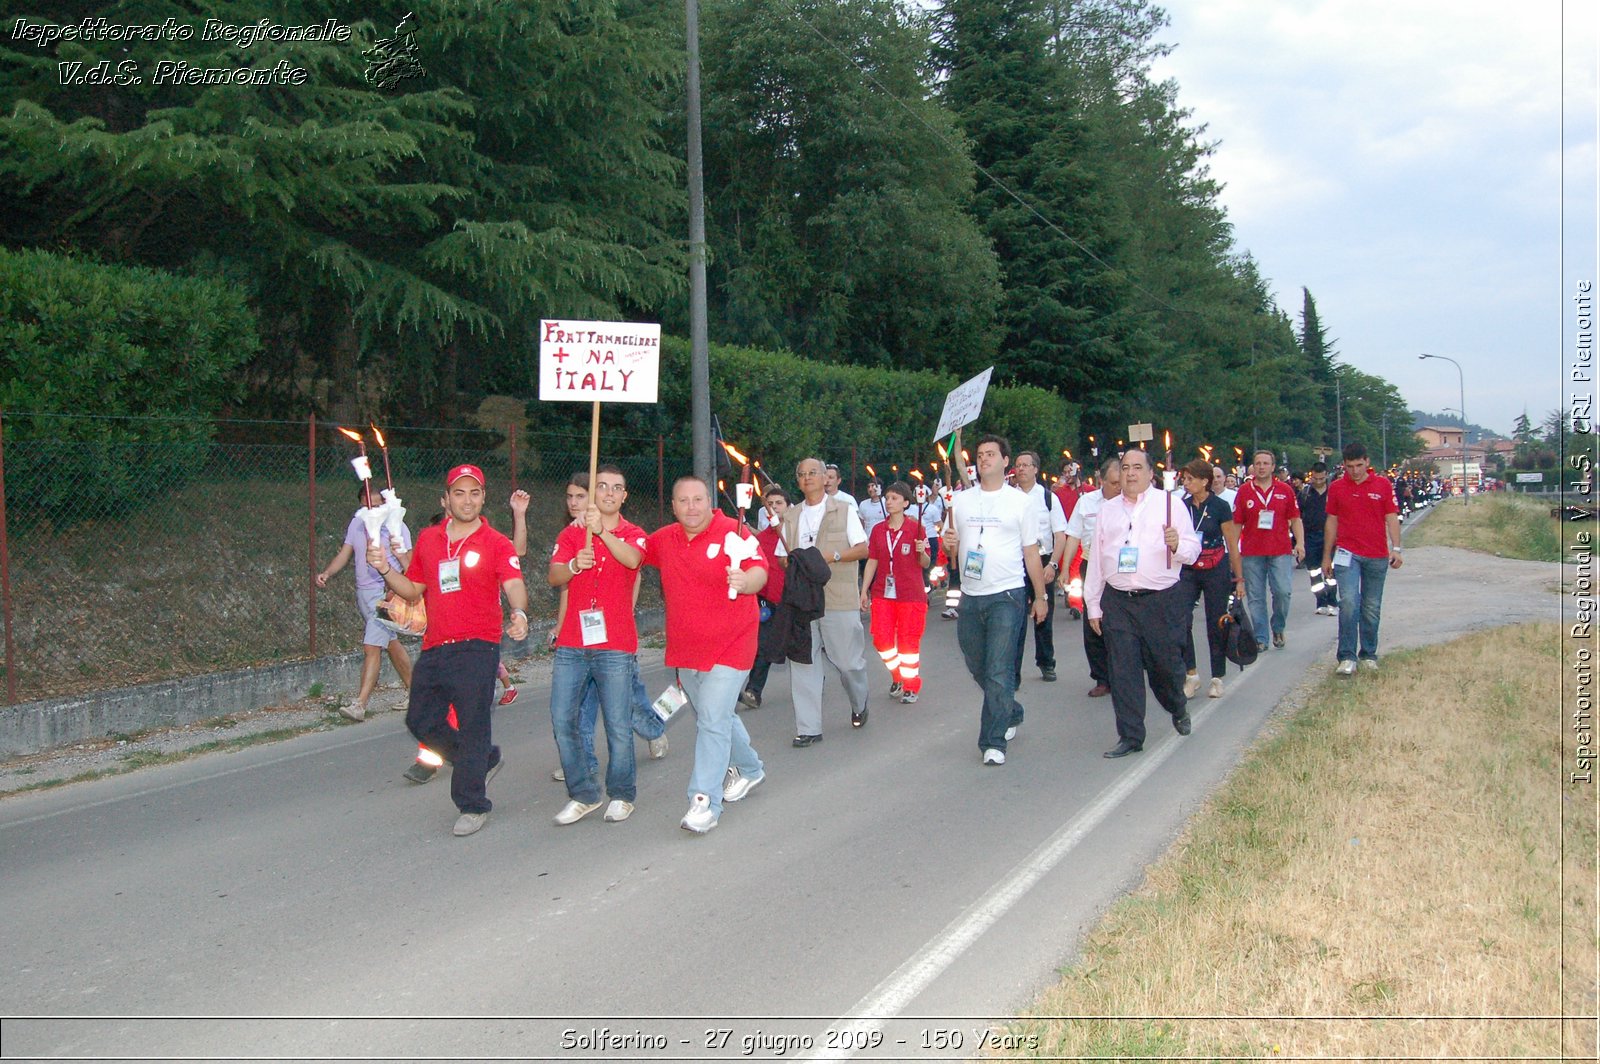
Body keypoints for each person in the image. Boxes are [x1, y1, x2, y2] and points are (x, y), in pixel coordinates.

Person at [369, 464, 527, 837]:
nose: (467, 500)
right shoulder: (428, 539)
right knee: (420, 721)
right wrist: (384, 570)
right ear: (446, 499)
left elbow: (514, 583)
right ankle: (482, 761)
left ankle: (473, 803)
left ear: (483, 498)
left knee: (473, 725)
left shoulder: (496, 542)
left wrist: (519, 612)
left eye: (474, 492)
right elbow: (412, 590)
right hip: (437, 645)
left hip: (478, 646)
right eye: (459, 493)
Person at [640, 475, 768, 834]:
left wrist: (746, 582)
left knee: (711, 720)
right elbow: (632, 552)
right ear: (674, 505)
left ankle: (704, 802)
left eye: (698, 500)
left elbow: (759, 570)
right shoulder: (664, 539)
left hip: (733, 643)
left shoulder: (734, 532)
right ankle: (753, 769)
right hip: (687, 647)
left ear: (709, 500)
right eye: (683, 501)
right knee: (719, 716)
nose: (691, 507)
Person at [547, 465, 648, 825]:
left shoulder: (634, 534)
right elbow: (554, 574)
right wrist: (575, 564)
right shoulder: (571, 533)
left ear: (624, 496)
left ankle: (622, 794)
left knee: (618, 724)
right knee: (563, 719)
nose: (607, 493)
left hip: (616, 644)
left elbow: (633, 560)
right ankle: (583, 793)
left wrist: (602, 531)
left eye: (615, 488)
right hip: (573, 642)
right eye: (601, 487)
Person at [1083, 448, 1200, 759]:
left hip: (1161, 600)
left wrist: (1178, 545)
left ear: (1151, 473)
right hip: (1119, 602)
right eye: (1125, 468)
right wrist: (1093, 604)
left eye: (1137, 468)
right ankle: (1131, 736)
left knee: (1165, 668)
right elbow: (1096, 560)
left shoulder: (1170, 505)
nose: (1130, 474)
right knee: (1123, 671)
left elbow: (1192, 549)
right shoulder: (1107, 511)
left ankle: (1177, 705)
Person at [940, 434, 1049, 766]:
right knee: (979, 664)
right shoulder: (960, 500)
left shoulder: (1021, 503)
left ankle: (993, 741)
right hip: (971, 596)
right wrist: (948, 542)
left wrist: (1040, 596)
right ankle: (1010, 709)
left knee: (999, 669)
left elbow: (1031, 552)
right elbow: (951, 550)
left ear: (1006, 462)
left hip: (1007, 594)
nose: (984, 459)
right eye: (979, 454)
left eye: (991, 454)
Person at [778, 457, 872, 746]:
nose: (808, 478)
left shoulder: (844, 511)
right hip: (802, 600)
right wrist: (793, 563)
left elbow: (862, 548)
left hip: (838, 596)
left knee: (847, 663)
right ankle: (808, 728)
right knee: (803, 661)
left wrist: (831, 557)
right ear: (797, 481)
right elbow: (781, 556)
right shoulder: (791, 516)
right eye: (802, 474)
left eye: (813, 473)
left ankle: (859, 703)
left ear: (825, 478)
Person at [315, 485, 414, 722]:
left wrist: (398, 577)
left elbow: (410, 562)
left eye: (379, 503)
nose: (373, 508)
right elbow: (345, 553)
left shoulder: (396, 525)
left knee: (372, 646)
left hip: (387, 592)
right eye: (368, 503)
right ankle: (417, 691)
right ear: (360, 504)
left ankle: (360, 704)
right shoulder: (357, 523)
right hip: (364, 592)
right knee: (391, 644)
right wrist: (327, 573)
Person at [1323, 443, 1403, 675]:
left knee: (1371, 606)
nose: (1355, 471)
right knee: (1348, 601)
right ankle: (1346, 655)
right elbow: (1332, 521)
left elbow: (1391, 516)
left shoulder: (1383, 485)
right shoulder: (1337, 488)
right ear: (1344, 466)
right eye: (1350, 466)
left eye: (1359, 465)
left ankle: (1368, 653)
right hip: (1347, 554)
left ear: (1367, 462)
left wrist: (1396, 548)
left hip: (1376, 554)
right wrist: (1326, 556)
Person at [1177, 459, 1243, 700]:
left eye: (1190, 479)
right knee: (1181, 618)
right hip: (1188, 568)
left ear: (1204, 481)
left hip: (1216, 565)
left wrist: (1239, 578)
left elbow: (1232, 544)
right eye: (1184, 479)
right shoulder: (1182, 507)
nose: (1186, 482)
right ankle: (1191, 674)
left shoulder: (1220, 506)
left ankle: (1217, 676)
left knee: (1216, 621)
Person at [860, 481, 932, 703]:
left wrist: (922, 551)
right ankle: (897, 675)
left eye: (894, 498)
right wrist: (864, 590)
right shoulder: (878, 530)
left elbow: (926, 563)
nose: (889, 502)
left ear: (906, 503)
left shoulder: (916, 528)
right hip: (883, 593)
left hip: (910, 594)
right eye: (887, 498)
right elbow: (872, 560)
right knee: (881, 639)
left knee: (908, 642)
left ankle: (911, 685)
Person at [1062, 457, 1121, 698]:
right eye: (1114, 483)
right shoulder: (1086, 503)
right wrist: (1065, 568)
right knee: (1093, 620)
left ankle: (1124, 673)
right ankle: (1102, 677)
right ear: (1101, 481)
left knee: (1120, 622)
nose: (1119, 488)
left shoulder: (1131, 502)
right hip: (1091, 565)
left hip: (1122, 567)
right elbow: (1073, 536)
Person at [1233, 449, 1304, 652]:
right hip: (1252, 552)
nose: (1261, 467)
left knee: (1283, 592)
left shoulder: (1285, 490)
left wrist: (1300, 543)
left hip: (1280, 549)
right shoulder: (1245, 491)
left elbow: (1296, 519)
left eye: (1266, 463)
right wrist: (1233, 550)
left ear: (1273, 467)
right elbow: (1237, 523)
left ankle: (1278, 626)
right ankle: (1261, 637)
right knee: (1255, 596)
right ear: (1253, 467)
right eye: (1258, 463)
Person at [1010, 451, 1068, 684]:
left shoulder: (1047, 498)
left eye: (1026, 465)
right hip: (1015, 562)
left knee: (1043, 614)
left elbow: (1060, 534)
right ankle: (1013, 670)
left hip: (1042, 560)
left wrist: (1053, 564)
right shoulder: (1008, 497)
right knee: (1015, 618)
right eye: (1018, 465)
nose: (1021, 469)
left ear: (1036, 469)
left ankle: (1046, 662)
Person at [742, 484, 790, 709]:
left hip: (793, 600)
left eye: (779, 503)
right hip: (766, 600)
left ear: (788, 507)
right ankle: (753, 690)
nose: (774, 508)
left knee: (803, 647)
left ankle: (814, 679)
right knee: (762, 645)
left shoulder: (796, 532)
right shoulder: (763, 537)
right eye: (770, 505)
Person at [1298, 462, 1338, 615]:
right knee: (1314, 571)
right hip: (1310, 536)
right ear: (1311, 476)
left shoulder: (1333, 492)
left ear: (1326, 475)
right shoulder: (1305, 494)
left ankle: (1332, 601)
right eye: (1315, 478)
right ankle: (1320, 601)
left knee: (1330, 571)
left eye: (1321, 478)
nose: (1319, 481)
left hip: (1331, 536)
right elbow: (1298, 517)